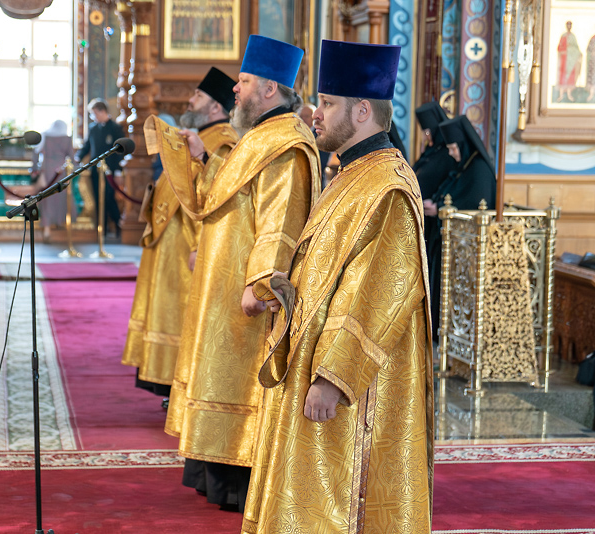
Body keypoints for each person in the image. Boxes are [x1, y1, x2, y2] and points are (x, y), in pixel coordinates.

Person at [242, 39, 433, 533]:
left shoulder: (387, 186)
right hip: (308, 357)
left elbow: (375, 293)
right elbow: (329, 268)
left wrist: (332, 378)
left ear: (363, 110)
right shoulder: (351, 172)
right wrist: (289, 287)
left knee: (337, 500)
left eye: (327, 104)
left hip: (345, 385)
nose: (315, 112)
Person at [160, 35, 321, 512]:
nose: (235, 88)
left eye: (244, 81)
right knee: (217, 375)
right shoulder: (257, 138)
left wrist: (262, 282)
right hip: (219, 286)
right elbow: (230, 198)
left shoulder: (287, 145)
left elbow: (281, 220)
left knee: (239, 384)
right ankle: (215, 474)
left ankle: (237, 481)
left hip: (246, 299)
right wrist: (203, 161)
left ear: (270, 88)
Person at [122, 67, 239, 397]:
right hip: (169, 243)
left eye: (198, 96)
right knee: (167, 311)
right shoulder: (201, 134)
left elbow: (220, 197)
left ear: (216, 106)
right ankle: (166, 383)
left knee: (182, 315)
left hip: (189, 244)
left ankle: (181, 385)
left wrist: (202, 245)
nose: (189, 100)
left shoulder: (225, 142)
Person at [424, 114, 496, 337]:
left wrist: (440, 209)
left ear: (463, 146)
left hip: (467, 247)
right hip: (447, 240)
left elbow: (474, 203)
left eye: (454, 147)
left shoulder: (479, 170)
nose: (451, 152)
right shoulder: (465, 166)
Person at [75, 98, 126, 237]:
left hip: (110, 170)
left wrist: (118, 171)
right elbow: (86, 147)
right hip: (95, 170)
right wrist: (77, 157)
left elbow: (120, 152)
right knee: (98, 198)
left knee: (109, 198)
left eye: (95, 113)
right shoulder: (92, 128)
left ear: (102, 111)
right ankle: (102, 229)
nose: (93, 117)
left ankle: (117, 225)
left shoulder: (115, 128)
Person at [31, 120, 75, 242]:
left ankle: (47, 230)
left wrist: (34, 169)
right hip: (61, 173)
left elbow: (35, 153)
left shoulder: (45, 136)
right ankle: (61, 224)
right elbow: (72, 157)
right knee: (60, 199)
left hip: (47, 171)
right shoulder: (67, 139)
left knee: (47, 200)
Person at [413, 101, 456, 202]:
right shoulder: (430, 150)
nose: (426, 136)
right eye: (424, 132)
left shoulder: (449, 153)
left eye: (427, 132)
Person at [557, 21, 582, 102]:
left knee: (570, 77)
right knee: (563, 77)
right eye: (568, 25)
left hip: (571, 60)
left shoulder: (573, 37)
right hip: (564, 60)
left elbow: (576, 48)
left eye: (570, 25)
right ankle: (561, 95)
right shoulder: (563, 36)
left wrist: (577, 53)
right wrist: (564, 50)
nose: (569, 27)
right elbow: (559, 48)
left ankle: (569, 94)